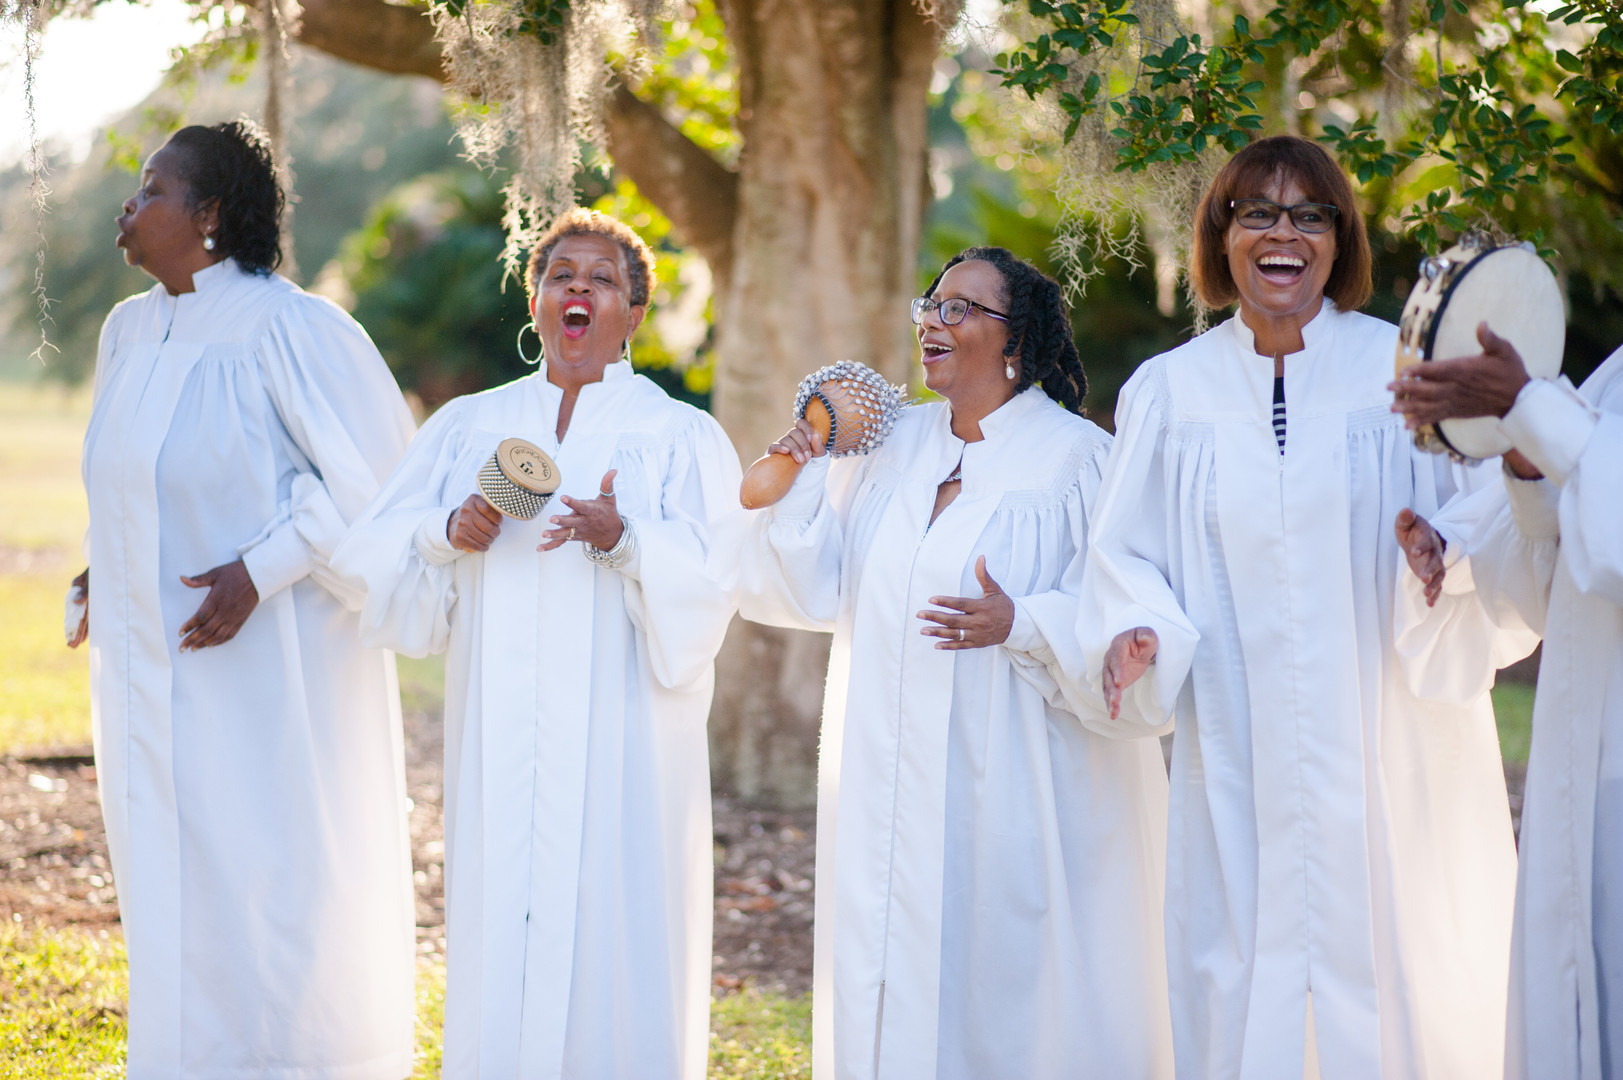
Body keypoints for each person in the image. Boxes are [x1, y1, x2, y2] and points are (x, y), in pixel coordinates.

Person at [1085, 135, 1534, 1078]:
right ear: (1221, 236)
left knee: (1402, 949)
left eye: (1309, 214)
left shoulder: (1406, 378)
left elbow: (1497, 513)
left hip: (1391, 734)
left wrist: (1441, 557)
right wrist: (1138, 631)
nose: (1283, 232)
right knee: (1240, 953)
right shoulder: (1170, 393)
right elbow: (1122, 553)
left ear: (1338, 240)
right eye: (1257, 212)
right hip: (1238, 746)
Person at [739, 247, 1174, 1079]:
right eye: (931, 304)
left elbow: (1121, 608)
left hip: (1007, 777)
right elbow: (815, 590)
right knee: (889, 963)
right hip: (885, 774)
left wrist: (1023, 620)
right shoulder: (888, 444)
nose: (935, 322)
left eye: (962, 309)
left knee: (1002, 980)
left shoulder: (1074, 462)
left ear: (1016, 341)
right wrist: (798, 469)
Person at [332, 208, 742, 1079]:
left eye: (603, 280)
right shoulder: (470, 425)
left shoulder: (675, 435)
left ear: (634, 312)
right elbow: (366, 551)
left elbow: (716, 578)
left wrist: (627, 539)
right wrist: (449, 527)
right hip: (501, 729)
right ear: (535, 298)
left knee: (611, 914)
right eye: (563, 276)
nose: (580, 290)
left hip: (621, 733)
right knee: (503, 907)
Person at [68, 121, 417, 1077]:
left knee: (265, 874)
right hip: (148, 669)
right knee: (170, 875)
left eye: (151, 191)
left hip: (263, 668)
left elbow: (371, 485)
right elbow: (130, 476)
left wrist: (262, 570)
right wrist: (105, 564)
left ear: (210, 215)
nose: (128, 210)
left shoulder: (292, 329)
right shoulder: (129, 330)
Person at [1392, 329, 1623, 1079]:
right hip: (1581, 757)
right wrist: (1524, 464)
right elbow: (1544, 581)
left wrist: (1527, 410)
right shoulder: (1616, 373)